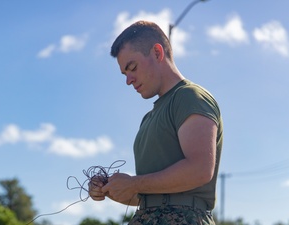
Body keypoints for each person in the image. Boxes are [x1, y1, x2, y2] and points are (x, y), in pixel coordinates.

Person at [89, 20, 223, 225]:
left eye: (132, 67)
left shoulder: (190, 97)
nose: (129, 80)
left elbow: (200, 170)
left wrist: (134, 183)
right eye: (125, 74)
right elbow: (148, 193)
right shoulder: (148, 119)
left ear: (157, 53)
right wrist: (112, 189)